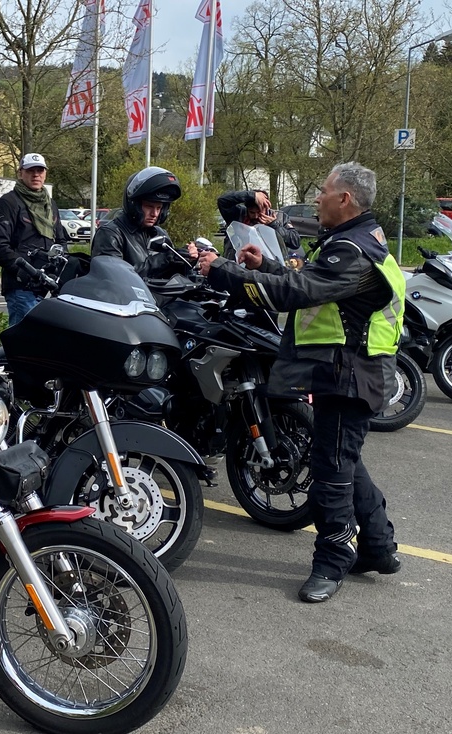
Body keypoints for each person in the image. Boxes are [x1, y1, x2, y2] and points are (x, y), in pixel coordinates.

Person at [194, 162, 406, 604]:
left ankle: (332, 559)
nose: (317, 199)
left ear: (345, 198)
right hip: (346, 371)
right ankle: (379, 547)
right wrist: (266, 262)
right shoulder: (354, 240)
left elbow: (299, 292)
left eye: (324, 191)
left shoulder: (352, 249)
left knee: (331, 471)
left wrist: (221, 271)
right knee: (345, 460)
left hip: (352, 373)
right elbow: (305, 280)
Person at [0, 153, 68, 325]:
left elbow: (61, 241)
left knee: (43, 344)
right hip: (21, 287)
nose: (36, 175)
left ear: (45, 173)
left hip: (48, 285)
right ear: (20, 173)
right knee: (24, 344)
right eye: (31, 170)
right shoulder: (8, 203)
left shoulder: (50, 204)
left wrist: (62, 267)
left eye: (40, 170)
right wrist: (23, 271)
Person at [91, 166, 188, 280]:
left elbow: (170, 277)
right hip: (124, 297)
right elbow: (115, 277)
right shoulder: (111, 234)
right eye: (149, 206)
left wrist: (183, 261)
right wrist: (166, 259)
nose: (155, 213)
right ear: (133, 205)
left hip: (159, 297)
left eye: (159, 208)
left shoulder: (160, 234)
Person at [217, 188, 303, 261]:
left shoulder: (280, 217)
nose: (256, 216)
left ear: (267, 207)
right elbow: (222, 201)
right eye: (252, 212)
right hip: (239, 264)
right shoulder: (238, 214)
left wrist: (274, 225)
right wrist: (251, 195)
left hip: (269, 266)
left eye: (259, 212)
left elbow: (295, 242)